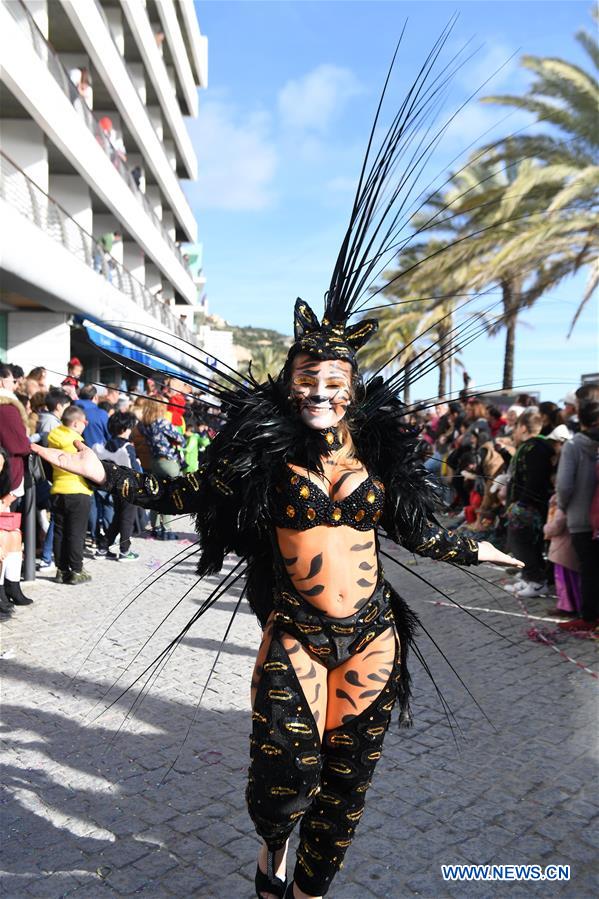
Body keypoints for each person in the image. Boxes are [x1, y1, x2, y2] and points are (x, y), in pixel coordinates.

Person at [31, 40, 525, 898]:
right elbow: (189, 493)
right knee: (284, 779)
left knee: (346, 790)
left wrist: (480, 552)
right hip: (294, 631)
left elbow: (415, 522)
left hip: (370, 633)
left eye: (336, 382)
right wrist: (105, 470)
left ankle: (303, 890)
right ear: (291, 383)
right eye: (308, 380)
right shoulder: (263, 454)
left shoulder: (374, 453)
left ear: (351, 387)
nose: (322, 394)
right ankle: (270, 854)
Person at [556, 400, 599, 631]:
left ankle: (589, 617)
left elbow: (564, 485)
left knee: (589, 568)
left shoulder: (573, 446)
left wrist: (563, 506)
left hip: (581, 518)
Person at [502, 410, 554, 598]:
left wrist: (522, 502)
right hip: (529, 505)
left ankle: (537, 582)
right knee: (528, 544)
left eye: (516, 427)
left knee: (523, 543)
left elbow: (535, 479)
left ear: (523, 427)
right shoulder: (531, 447)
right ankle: (529, 577)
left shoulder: (535, 448)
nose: (514, 431)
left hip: (529, 507)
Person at [47, 406, 93, 585]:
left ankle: (61, 570)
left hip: (58, 489)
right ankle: (76, 570)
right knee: (76, 532)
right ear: (75, 423)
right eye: (84, 422)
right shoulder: (75, 441)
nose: (86, 425)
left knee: (59, 532)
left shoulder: (54, 436)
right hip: (77, 489)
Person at [98, 412, 142, 562]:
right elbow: (135, 468)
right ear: (125, 428)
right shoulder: (127, 446)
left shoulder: (108, 444)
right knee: (127, 519)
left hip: (114, 485)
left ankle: (103, 547)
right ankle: (125, 550)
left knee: (118, 518)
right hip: (129, 487)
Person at [138, 400, 184, 540]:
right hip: (168, 462)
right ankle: (167, 530)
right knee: (169, 495)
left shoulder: (142, 425)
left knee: (156, 494)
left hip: (154, 462)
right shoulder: (162, 422)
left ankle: (155, 527)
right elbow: (180, 438)